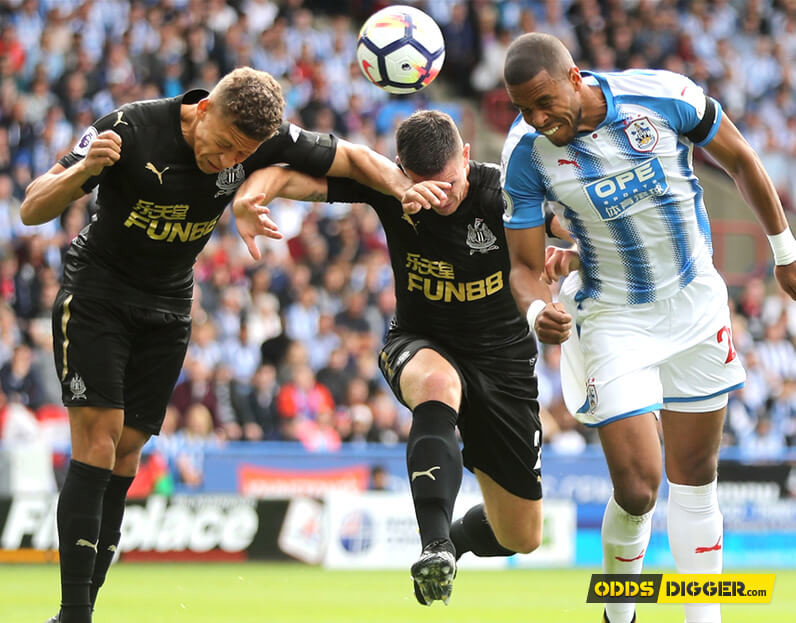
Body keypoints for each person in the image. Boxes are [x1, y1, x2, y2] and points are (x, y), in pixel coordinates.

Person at [19, 66, 409, 623]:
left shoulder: (262, 139)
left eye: (240, 154)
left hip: (170, 306)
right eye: (222, 144)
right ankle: (74, 613)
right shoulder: (129, 128)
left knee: (127, 452)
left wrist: (402, 186)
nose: (227, 161)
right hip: (98, 294)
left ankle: (83, 606)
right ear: (202, 110)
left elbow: (351, 159)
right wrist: (85, 169)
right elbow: (33, 208)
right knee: (98, 443)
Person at [500, 33, 796, 623]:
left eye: (543, 101)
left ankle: (702, 615)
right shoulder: (526, 152)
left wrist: (785, 250)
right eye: (523, 108)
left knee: (695, 479)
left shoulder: (662, 95)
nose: (537, 118)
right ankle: (619, 611)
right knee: (638, 488)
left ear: (574, 75)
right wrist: (537, 312)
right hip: (613, 319)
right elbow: (526, 267)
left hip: (695, 305)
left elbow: (739, 157)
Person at [234, 110, 568, 606]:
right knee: (438, 385)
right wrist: (250, 196)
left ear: (467, 158)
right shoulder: (390, 190)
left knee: (520, 536)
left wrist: (575, 255)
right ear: (401, 170)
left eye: (451, 183)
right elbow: (289, 174)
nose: (441, 197)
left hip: (504, 364)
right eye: (425, 186)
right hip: (418, 341)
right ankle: (432, 544)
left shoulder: (503, 192)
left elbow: (575, 228)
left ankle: (451, 542)